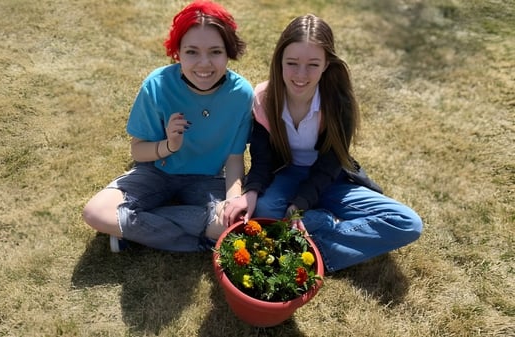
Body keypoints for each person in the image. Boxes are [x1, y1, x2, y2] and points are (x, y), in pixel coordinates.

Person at [224, 14, 423, 272]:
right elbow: (263, 158)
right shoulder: (263, 98)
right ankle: (318, 222)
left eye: (313, 65)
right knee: (263, 208)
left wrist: (299, 205)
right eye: (292, 63)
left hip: (331, 178)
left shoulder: (339, 103)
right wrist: (250, 192)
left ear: (327, 63)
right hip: (287, 174)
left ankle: (316, 247)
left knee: (407, 223)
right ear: (279, 61)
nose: (300, 75)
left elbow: (330, 165)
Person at [82, 0, 253, 252]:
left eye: (215, 52)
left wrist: (233, 200)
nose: (204, 63)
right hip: (157, 172)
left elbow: (234, 159)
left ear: (228, 52)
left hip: (207, 180)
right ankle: (200, 239)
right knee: (96, 213)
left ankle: (135, 232)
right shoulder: (157, 85)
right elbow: (138, 152)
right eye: (191, 52)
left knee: (233, 221)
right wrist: (169, 146)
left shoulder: (241, 94)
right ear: (178, 52)